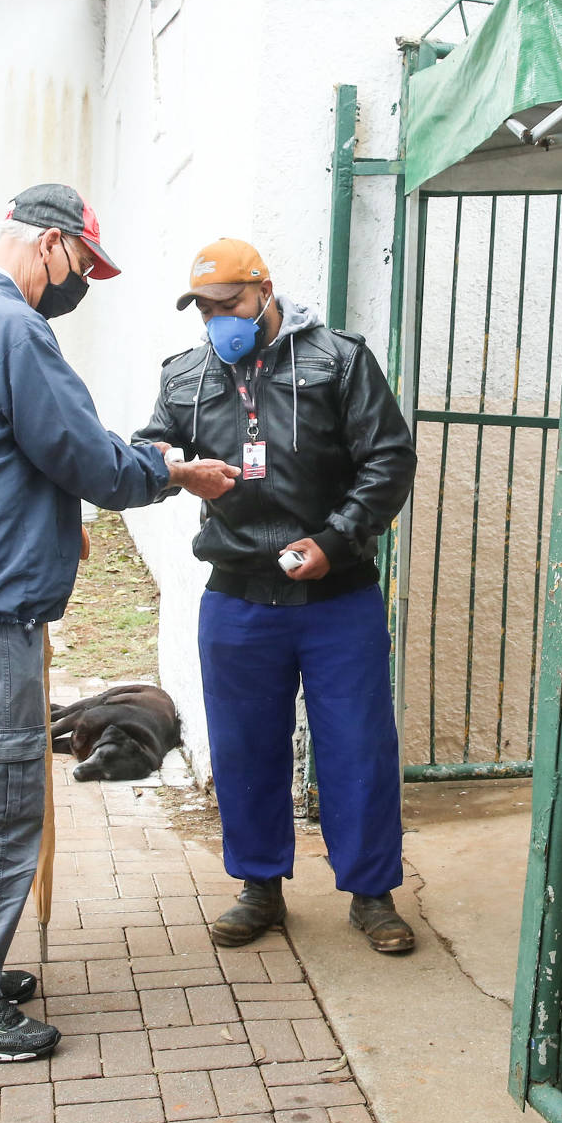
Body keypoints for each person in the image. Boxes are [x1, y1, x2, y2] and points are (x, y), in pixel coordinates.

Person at [0, 186, 237, 1061]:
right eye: (81, 265)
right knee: (4, 796)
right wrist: (170, 473)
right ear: (50, 245)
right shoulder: (11, 328)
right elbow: (82, 455)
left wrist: (27, 501)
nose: (79, 283)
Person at [137, 239, 420, 956]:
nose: (216, 320)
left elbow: (389, 458)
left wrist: (337, 538)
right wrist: (175, 468)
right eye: (203, 309)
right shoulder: (187, 376)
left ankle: (371, 893)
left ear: (264, 291)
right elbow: (150, 449)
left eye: (227, 304)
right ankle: (259, 885)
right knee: (244, 748)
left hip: (338, 596)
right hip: (237, 596)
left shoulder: (339, 360)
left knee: (357, 746)